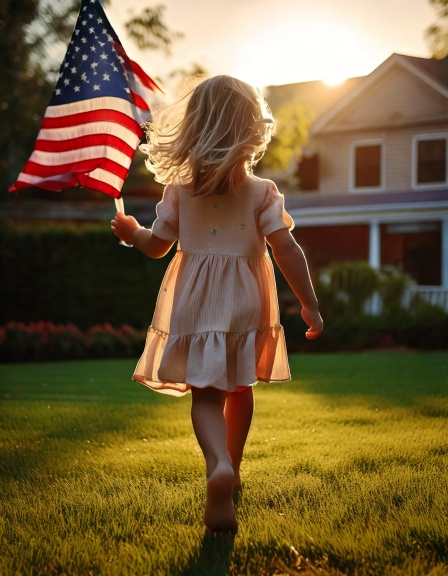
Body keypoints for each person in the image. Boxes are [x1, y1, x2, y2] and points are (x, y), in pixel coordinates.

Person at [111, 75, 323, 535]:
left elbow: (156, 247)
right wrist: (309, 304)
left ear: (193, 128)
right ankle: (234, 466)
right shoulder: (262, 191)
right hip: (247, 299)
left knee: (207, 395)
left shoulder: (181, 192)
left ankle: (217, 467)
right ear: (251, 129)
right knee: (240, 385)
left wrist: (131, 234)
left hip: (194, 301)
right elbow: (287, 250)